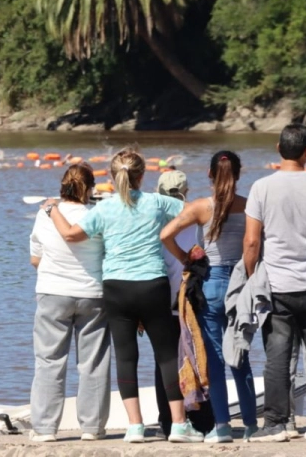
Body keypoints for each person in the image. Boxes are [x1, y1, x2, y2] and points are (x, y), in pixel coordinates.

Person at [46, 149, 204, 443]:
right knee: (167, 356)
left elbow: (70, 235)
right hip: (152, 284)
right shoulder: (157, 202)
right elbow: (195, 211)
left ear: (111, 175)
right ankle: (180, 426)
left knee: (126, 357)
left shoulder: (103, 209)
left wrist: (51, 209)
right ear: (142, 176)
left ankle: (135, 427)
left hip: (116, 287)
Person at [244, 124, 306, 442]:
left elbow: (252, 242)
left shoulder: (261, 187)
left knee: (278, 356)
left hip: (278, 285)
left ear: (277, 147)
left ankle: (276, 424)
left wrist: (248, 276)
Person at [160, 152, 258, 442]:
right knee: (240, 355)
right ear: (238, 174)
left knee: (214, 359)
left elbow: (166, 234)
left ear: (209, 174)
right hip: (241, 283)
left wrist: (186, 259)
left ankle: (223, 427)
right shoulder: (250, 205)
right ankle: (252, 426)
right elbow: (255, 243)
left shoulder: (200, 207)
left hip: (212, 284)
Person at [29, 163, 110, 443]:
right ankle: (92, 427)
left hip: (53, 292)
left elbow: (35, 259)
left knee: (49, 361)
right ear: (89, 189)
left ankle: (45, 429)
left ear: (62, 188)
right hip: (93, 294)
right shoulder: (98, 214)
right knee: (93, 362)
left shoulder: (45, 215)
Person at [153, 171, 214, 440]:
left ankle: (168, 421)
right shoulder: (195, 215)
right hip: (190, 300)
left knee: (165, 362)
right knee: (198, 358)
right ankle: (202, 420)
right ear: (186, 191)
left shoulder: (153, 220)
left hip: (161, 301)